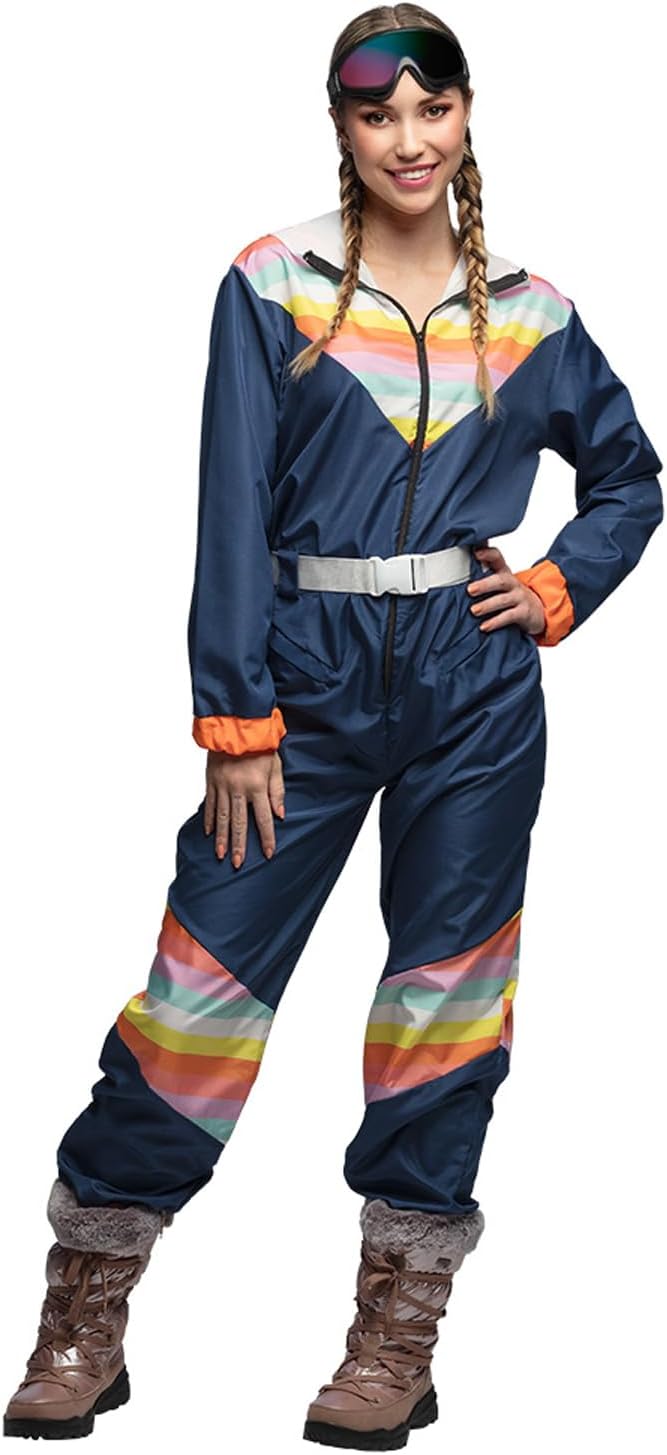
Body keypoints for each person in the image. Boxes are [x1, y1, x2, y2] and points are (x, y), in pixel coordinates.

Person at [4, 6, 663, 1450]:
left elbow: (631, 476)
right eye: (378, 117)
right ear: (343, 128)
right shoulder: (274, 285)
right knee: (201, 990)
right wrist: (235, 713)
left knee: (447, 998)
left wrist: (557, 587)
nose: (408, 141)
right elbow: (230, 504)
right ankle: (87, 1308)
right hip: (299, 682)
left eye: (433, 111)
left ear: (467, 117)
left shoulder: (534, 315)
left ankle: (394, 1341)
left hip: (474, 692)